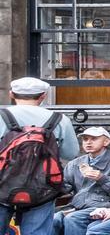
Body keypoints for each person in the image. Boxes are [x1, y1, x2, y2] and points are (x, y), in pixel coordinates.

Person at [0, 77, 81, 235]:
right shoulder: (59, 120)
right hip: (43, 186)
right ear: (43, 96)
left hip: (2, 184)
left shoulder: (1, 116)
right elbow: (70, 153)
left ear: (11, 94)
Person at [54, 128, 110, 235]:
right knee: (53, 218)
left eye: (94, 139)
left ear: (106, 142)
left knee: (73, 219)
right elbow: (64, 187)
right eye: (85, 139)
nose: (88, 142)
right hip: (77, 205)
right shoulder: (75, 163)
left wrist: (101, 178)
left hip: (105, 206)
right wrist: (52, 181)